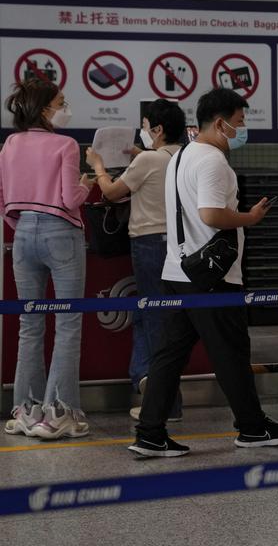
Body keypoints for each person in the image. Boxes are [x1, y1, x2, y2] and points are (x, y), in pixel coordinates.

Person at [129, 88, 278, 457]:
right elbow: (210, 215)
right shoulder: (213, 161)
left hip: (178, 270)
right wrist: (250, 218)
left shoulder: (181, 156)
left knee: (169, 355)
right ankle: (252, 428)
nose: (242, 129)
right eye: (239, 122)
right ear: (220, 123)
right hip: (211, 276)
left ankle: (150, 432)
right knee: (232, 352)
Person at [0, 79, 94, 439]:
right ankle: (57, 413)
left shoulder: (10, 143)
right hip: (61, 234)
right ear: (45, 109)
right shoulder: (66, 144)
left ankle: (26, 409)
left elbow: (4, 196)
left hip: (22, 233)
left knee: (30, 322)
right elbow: (71, 198)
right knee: (68, 322)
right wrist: (86, 184)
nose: (64, 106)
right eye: (60, 101)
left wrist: (19, 223)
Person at [86, 99, 186, 422]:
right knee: (154, 318)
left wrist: (99, 166)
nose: (143, 131)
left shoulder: (149, 161)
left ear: (156, 129)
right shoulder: (181, 155)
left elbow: (113, 192)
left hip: (149, 245)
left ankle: (166, 405)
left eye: (145, 126)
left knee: (155, 320)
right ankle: (148, 386)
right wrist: (140, 156)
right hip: (175, 246)